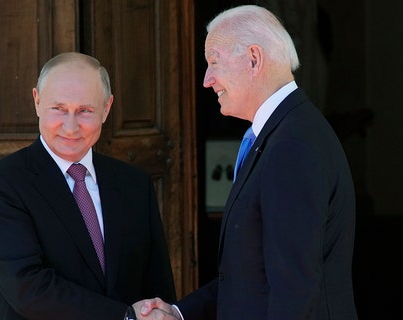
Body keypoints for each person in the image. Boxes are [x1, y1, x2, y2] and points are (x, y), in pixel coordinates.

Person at [138, 4, 358, 320]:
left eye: (213, 62)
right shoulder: (282, 132)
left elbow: (294, 292)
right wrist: (178, 313)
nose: (206, 79)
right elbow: (249, 276)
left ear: (254, 59)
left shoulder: (291, 147)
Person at [0, 52, 177, 320]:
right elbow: (29, 288)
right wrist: (124, 316)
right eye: (58, 108)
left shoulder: (134, 183)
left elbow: (157, 285)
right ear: (37, 101)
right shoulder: (0, 186)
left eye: (85, 111)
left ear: (106, 109)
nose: (70, 127)